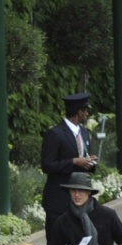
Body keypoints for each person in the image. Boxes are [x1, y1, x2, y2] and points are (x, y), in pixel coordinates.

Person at [41, 93, 99, 231]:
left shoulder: (84, 133)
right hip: (59, 200)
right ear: (79, 112)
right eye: (86, 111)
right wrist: (73, 162)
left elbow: (82, 159)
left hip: (80, 200)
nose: (87, 114)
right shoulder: (55, 134)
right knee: (56, 242)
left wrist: (89, 163)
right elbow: (47, 165)